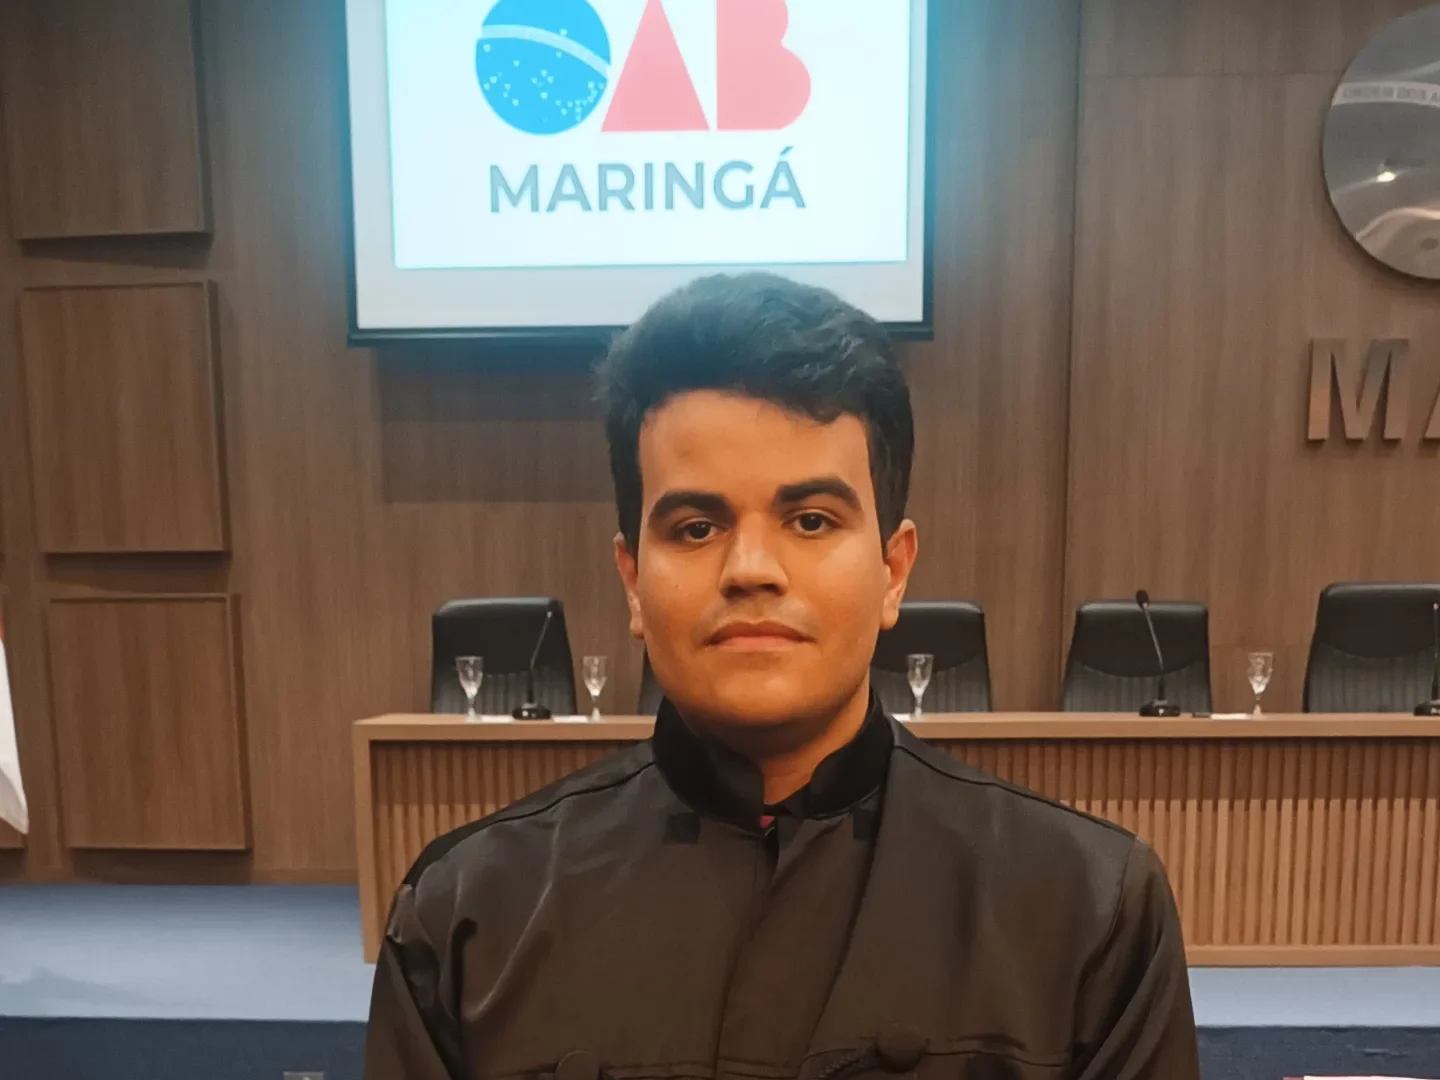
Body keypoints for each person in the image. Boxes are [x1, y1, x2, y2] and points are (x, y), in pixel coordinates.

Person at [363, 273, 1201, 1080]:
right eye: (696, 528)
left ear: (894, 571)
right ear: (632, 581)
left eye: (811, 520)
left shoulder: (1086, 908)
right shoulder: (468, 914)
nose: (751, 569)